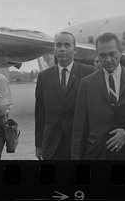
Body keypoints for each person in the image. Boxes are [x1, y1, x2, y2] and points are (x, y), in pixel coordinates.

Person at [71, 33, 125, 160]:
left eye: (112, 54)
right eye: (103, 55)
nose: (108, 59)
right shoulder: (87, 83)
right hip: (97, 154)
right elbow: (79, 127)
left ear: (120, 52)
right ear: (97, 55)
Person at [35, 32, 94, 160]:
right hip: (52, 145)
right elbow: (40, 113)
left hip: (79, 144)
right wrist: (39, 144)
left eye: (67, 45)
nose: (62, 49)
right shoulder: (43, 77)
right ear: (54, 50)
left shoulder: (89, 73)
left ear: (75, 50)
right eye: (58, 45)